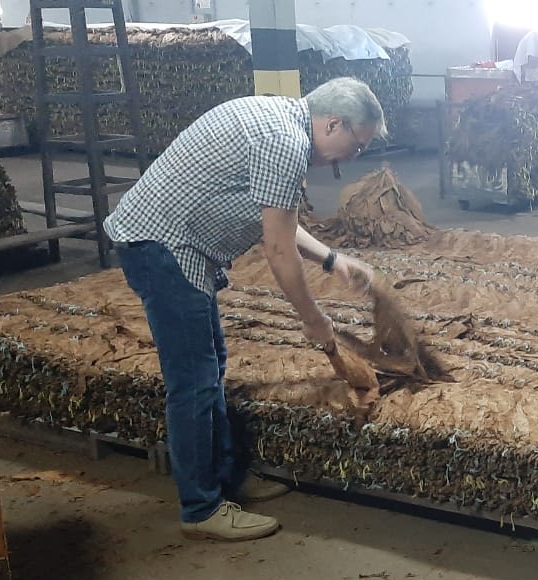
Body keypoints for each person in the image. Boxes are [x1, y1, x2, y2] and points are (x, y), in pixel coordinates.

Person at [103, 77, 382, 542]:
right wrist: (317, 323)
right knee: (193, 383)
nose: (353, 158)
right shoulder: (286, 143)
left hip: (174, 245)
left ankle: (225, 479)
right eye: (356, 145)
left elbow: (276, 219)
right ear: (333, 123)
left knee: (211, 367)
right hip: (164, 248)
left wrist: (333, 261)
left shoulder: (279, 121)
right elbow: (276, 249)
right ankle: (201, 509)